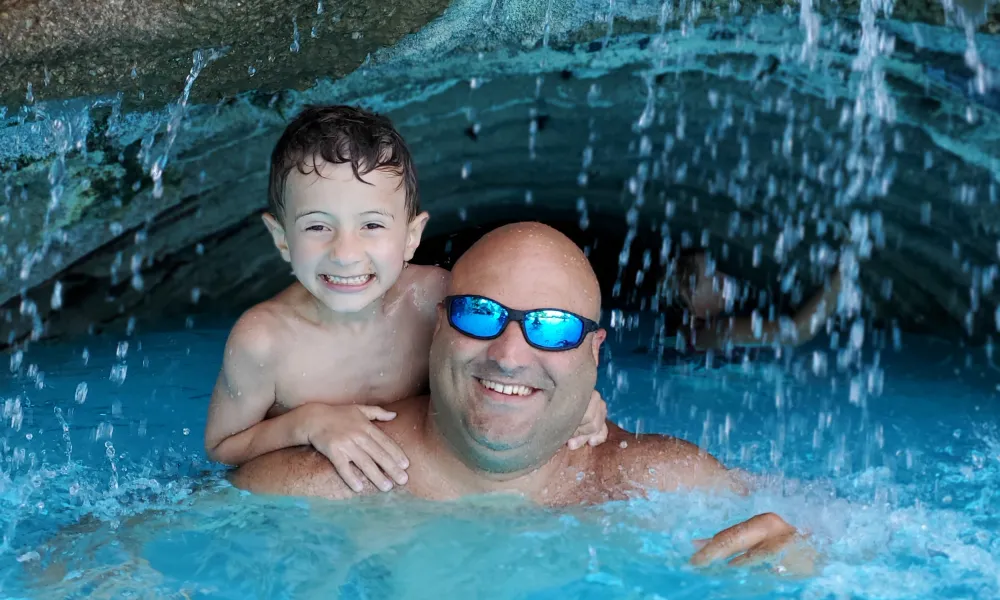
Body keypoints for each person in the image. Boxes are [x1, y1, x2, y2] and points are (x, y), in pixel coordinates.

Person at [229, 222, 817, 573]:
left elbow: (836, 532)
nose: (510, 354)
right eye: (480, 314)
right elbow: (142, 556)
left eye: (554, 327)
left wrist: (803, 566)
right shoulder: (316, 484)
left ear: (594, 352)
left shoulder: (664, 480)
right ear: (438, 326)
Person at [203, 106, 608, 495]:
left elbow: (519, 340)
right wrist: (307, 423)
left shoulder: (434, 297)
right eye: (318, 226)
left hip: (420, 489)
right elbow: (223, 448)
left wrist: (578, 400)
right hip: (315, 499)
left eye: (372, 225)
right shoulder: (264, 341)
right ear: (281, 239)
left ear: (412, 236)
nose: (346, 253)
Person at [672, 246, 842, 353]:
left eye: (716, 270)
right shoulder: (714, 333)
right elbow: (796, 332)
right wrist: (844, 271)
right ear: (690, 301)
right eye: (713, 279)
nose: (724, 278)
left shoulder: (693, 329)